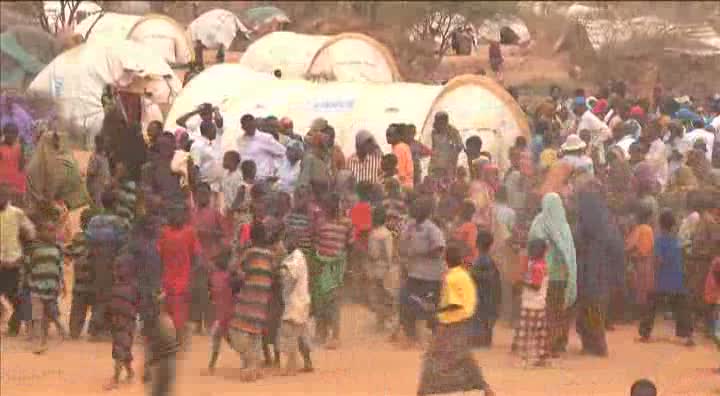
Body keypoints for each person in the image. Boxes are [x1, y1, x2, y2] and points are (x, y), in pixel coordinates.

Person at [417, 241, 495, 396]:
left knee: (434, 357)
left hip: (451, 324)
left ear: (445, 260)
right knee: (463, 357)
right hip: (462, 322)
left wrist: (435, 311)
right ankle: (485, 388)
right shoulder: (463, 274)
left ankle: (424, 391)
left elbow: (454, 304)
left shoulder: (451, 278)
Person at [575, 182, 623, 357]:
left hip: (594, 273)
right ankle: (591, 344)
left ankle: (596, 345)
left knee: (593, 308)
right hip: (594, 273)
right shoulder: (607, 222)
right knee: (592, 309)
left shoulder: (588, 224)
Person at [528, 192, 577, 355]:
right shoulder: (564, 225)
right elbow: (570, 252)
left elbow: (532, 244)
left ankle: (549, 344)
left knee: (548, 311)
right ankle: (558, 343)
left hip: (544, 273)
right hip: (561, 275)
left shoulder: (538, 222)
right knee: (559, 310)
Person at [228, 222, 276, 382]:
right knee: (255, 333)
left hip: (249, 298)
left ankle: (251, 362)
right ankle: (254, 367)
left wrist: (238, 251)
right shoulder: (270, 255)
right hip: (263, 300)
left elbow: (233, 268)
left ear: (251, 237)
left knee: (235, 331)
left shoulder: (250, 253)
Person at [638, 210, 694, 346]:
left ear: (660, 224)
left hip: (662, 279)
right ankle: (687, 336)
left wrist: (653, 275)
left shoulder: (659, 241)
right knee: (681, 307)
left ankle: (645, 333)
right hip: (677, 279)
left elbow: (657, 261)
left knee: (651, 305)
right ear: (673, 225)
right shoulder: (677, 241)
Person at [398, 196, 446, 348]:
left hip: (430, 276)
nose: (415, 210)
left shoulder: (432, 229)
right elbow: (402, 242)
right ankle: (412, 337)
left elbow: (439, 249)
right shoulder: (410, 225)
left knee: (426, 308)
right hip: (413, 273)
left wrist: (420, 252)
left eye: (419, 208)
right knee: (407, 303)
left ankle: (426, 340)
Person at [311, 193, 353, 349]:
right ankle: (320, 332)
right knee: (320, 301)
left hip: (336, 268)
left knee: (333, 301)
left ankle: (335, 336)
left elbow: (350, 245)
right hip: (322, 266)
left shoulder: (346, 223)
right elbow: (314, 242)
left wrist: (348, 267)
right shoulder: (319, 223)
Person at [157, 204, 201, 348]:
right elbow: (159, 255)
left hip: (181, 280)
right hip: (168, 280)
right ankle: (174, 341)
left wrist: (192, 276)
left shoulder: (189, 232)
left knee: (177, 314)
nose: (177, 217)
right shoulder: (165, 233)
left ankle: (178, 342)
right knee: (169, 313)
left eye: (180, 214)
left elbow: (196, 256)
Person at [86, 191, 128, 340]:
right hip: (111, 260)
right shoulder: (119, 222)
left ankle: (103, 328)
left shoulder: (94, 220)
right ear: (116, 204)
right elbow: (123, 243)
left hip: (96, 261)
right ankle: (94, 327)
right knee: (109, 295)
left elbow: (89, 240)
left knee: (100, 294)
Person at [25, 216, 67, 354]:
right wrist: (25, 282)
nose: (51, 233)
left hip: (52, 288)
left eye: (53, 230)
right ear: (39, 232)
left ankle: (59, 328)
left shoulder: (57, 248)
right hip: (36, 287)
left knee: (51, 312)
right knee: (37, 316)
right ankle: (39, 343)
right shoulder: (33, 248)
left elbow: (59, 268)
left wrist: (63, 284)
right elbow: (27, 266)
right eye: (47, 230)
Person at [0, 183, 36, 336]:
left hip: (12, 261)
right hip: (6, 261)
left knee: (14, 297)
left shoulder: (16, 213)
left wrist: (25, 250)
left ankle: (14, 327)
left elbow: (31, 232)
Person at [191, 184, 227, 335]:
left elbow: (224, 233)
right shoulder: (191, 213)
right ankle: (198, 323)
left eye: (205, 194)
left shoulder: (215, 214)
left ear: (209, 196)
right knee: (197, 291)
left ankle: (208, 323)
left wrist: (209, 233)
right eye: (199, 194)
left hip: (211, 257)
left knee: (210, 292)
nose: (202, 197)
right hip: (195, 257)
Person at [277, 236, 314, 375]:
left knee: (289, 333)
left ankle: (291, 367)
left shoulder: (295, 258)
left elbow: (290, 279)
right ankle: (307, 362)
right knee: (301, 334)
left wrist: (284, 292)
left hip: (295, 302)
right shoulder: (294, 257)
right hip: (300, 301)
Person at [104, 252, 139, 390]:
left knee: (120, 349)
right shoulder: (113, 287)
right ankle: (130, 372)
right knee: (124, 349)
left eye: (120, 267)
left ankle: (115, 378)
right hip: (115, 324)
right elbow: (108, 305)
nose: (117, 271)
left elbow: (140, 304)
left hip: (127, 324)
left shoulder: (134, 287)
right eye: (115, 268)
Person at [514, 238, 549, 367]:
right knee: (539, 333)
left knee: (527, 332)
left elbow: (536, 286)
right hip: (539, 304)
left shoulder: (536, 267)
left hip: (531, 304)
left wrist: (522, 282)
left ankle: (526, 359)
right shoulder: (541, 265)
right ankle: (540, 357)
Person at [66, 207, 100, 339]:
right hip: (95, 282)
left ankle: (74, 333)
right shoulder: (99, 239)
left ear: (81, 223)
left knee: (77, 310)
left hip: (80, 283)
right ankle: (94, 332)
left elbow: (70, 253)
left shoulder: (78, 238)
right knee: (97, 308)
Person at [469, 230, 501, 348]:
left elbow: (487, 276)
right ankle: (485, 342)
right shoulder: (488, 259)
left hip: (482, 295)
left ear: (477, 243)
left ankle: (480, 342)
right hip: (488, 295)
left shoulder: (482, 260)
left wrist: (471, 272)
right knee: (486, 319)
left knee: (480, 319)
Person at [367, 206, 395, 332]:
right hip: (384, 267)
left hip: (375, 267)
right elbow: (389, 255)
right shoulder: (386, 234)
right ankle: (384, 321)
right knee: (386, 295)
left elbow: (372, 254)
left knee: (378, 295)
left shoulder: (373, 233)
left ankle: (381, 322)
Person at [206, 249, 233, 374]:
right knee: (226, 337)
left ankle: (212, 365)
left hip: (225, 313)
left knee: (219, 336)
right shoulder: (225, 275)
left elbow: (212, 295)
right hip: (225, 312)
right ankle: (211, 365)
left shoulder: (218, 276)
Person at [237, 114, 287, 181]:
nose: (250, 128)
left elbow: (284, 152)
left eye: (252, 125)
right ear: (243, 127)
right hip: (247, 180)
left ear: (255, 124)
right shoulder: (240, 140)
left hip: (263, 180)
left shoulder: (265, 138)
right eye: (247, 126)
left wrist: (276, 168)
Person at [626, 206, 655, 314]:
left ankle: (637, 312)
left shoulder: (637, 229)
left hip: (637, 262)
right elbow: (648, 247)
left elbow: (628, 245)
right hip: (644, 262)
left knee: (638, 289)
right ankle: (642, 313)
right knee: (644, 289)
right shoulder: (647, 229)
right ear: (648, 217)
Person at [190, 120, 224, 207]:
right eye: (214, 129)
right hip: (205, 189)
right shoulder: (197, 146)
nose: (215, 131)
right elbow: (195, 168)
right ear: (208, 130)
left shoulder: (212, 144)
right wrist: (199, 190)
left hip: (216, 186)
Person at [429, 112, 464, 181]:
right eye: (437, 120)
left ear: (445, 121)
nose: (438, 122)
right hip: (437, 162)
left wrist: (453, 154)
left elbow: (460, 146)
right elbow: (434, 147)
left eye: (440, 120)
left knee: (448, 181)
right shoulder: (434, 132)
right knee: (436, 181)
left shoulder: (452, 131)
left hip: (448, 162)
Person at [0, 123, 26, 204]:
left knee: (16, 207)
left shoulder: (19, 147)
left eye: (13, 133)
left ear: (16, 135)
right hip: (3, 183)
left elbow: (21, 166)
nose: (11, 136)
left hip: (17, 183)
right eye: (8, 133)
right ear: (4, 134)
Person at [86, 134, 111, 207]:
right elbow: (90, 175)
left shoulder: (104, 156)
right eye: (102, 143)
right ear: (97, 143)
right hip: (97, 191)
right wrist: (89, 191)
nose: (104, 145)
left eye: (104, 143)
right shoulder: (95, 157)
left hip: (105, 190)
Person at [387, 124, 414, 189]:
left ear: (398, 136)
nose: (387, 138)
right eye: (387, 135)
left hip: (402, 186)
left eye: (390, 135)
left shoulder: (398, 149)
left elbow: (399, 171)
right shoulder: (404, 146)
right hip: (408, 185)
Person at [221, 150, 243, 215]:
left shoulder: (238, 175)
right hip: (229, 209)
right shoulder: (225, 174)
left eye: (225, 159)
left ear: (232, 161)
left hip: (237, 211)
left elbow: (240, 194)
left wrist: (233, 208)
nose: (223, 162)